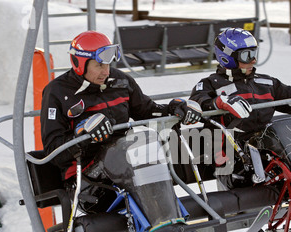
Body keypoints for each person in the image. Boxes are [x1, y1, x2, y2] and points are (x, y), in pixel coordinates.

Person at [40, 30, 202, 212]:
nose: (106, 71)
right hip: (86, 183)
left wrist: (174, 109)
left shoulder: (120, 81)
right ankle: (164, 223)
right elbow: (53, 150)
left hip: (125, 171)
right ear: (79, 63)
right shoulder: (57, 92)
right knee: (122, 150)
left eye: (109, 64)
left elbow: (147, 112)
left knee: (146, 143)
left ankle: (171, 219)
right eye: (99, 65)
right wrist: (83, 134)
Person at [189, 27, 291, 201]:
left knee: (287, 124)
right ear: (227, 57)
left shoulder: (265, 82)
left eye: (254, 53)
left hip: (267, 160)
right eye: (246, 56)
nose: (253, 60)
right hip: (234, 164)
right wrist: (220, 103)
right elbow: (197, 102)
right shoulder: (211, 85)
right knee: (276, 132)